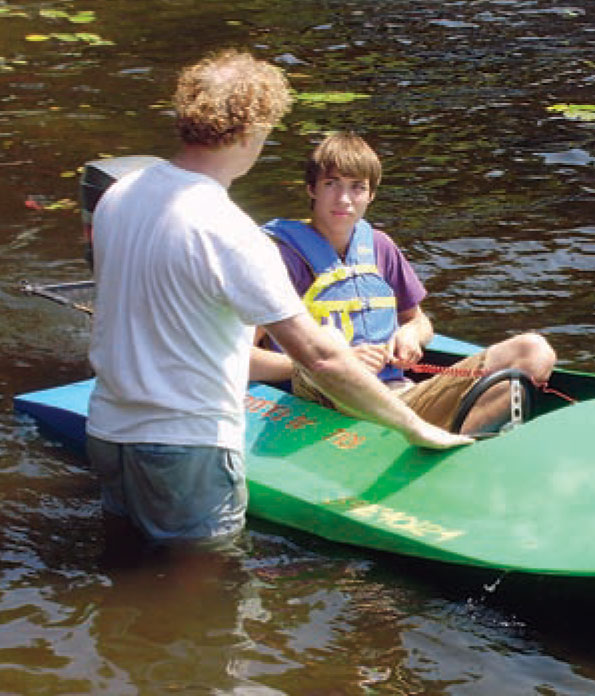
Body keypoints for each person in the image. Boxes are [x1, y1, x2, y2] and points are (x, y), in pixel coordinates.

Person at [86, 50, 471, 545]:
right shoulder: (230, 230)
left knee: (126, 567)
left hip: (109, 429)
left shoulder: (120, 195)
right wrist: (415, 428)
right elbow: (320, 357)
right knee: (206, 591)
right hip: (186, 445)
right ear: (253, 131)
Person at [251, 130, 557, 435]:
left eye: (357, 188)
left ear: (371, 195)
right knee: (330, 344)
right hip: (329, 404)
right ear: (311, 189)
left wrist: (410, 334)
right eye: (332, 184)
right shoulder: (278, 257)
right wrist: (328, 363)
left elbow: (419, 321)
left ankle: (454, 447)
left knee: (534, 351)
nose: (344, 199)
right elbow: (242, 358)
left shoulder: (380, 246)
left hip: (398, 397)